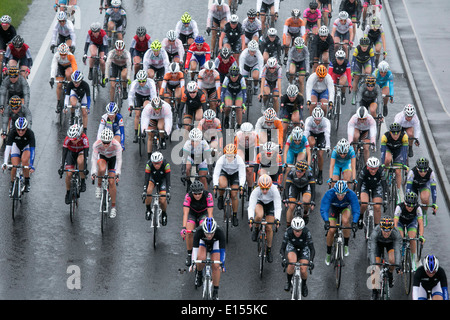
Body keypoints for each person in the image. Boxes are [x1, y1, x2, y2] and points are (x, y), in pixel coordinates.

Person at [320, 180, 360, 263]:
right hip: (333, 208)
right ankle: (328, 253)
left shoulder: (351, 194)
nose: (340, 197)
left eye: (343, 194)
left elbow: (356, 209)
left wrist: (355, 222)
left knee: (345, 221)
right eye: (338, 194)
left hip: (345, 207)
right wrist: (326, 221)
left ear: (346, 192)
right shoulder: (330, 193)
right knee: (331, 230)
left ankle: (346, 244)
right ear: (335, 192)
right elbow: (324, 208)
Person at [190, 217, 226, 300]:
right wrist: (193, 262)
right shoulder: (199, 231)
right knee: (201, 258)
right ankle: (199, 274)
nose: (209, 236)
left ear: (215, 230)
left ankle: (215, 291)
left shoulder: (219, 232)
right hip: (203, 242)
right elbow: (195, 249)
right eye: (207, 233)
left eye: (211, 233)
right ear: (203, 230)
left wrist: (222, 264)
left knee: (216, 266)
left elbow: (222, 251)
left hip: (215, 243)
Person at [248, 174, 281, 263]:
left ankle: (269, 250)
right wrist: (250, 218)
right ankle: (256, 228)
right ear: (259, 186)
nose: (265, 191)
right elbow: (251, 206)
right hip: (260, 202)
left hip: (270, 204)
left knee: (269, 227)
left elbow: (278, 206)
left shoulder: (274, 190)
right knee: (259, 215)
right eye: (263, 188)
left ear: (270, 186)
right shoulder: (256, 191)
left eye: (267, 188)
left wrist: (277, 219)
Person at [367, 216, 402, 300]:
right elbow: (372, 250)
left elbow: (397, 250)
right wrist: (372, 265)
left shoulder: (396, 233)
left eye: (388, 231)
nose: (386, 233)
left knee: (392, 260)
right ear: (381, 228)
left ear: (392, 229)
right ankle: (375, 292)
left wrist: (398, 266)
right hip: (378, 244)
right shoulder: (375, 232)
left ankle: (390, 273)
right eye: (384, 231)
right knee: (375, 268)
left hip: (390, 243)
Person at [181, 180, 214, 267]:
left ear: (202, 191)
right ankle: (189, 254)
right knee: (189, 231)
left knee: (204, 228)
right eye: (195, 194)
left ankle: (205, 247)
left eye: (199, 193)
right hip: (192, 213)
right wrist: (183, 228)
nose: (197, 195)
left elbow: (210, 214)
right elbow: (186, 213)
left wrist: (209, 228)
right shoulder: (188, 196)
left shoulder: (208, 195)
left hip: (203, 213)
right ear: (192, 193)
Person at [90, 128, 122, 218]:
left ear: (111, 140)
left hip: (113, 158)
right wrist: (93, 172)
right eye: (104, 142)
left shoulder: (116, 145)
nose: (106, 145)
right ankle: (99, 186)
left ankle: (113, 207)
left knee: (112, 182)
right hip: (103, 156)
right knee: (102, 168)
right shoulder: (97, 144)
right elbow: (94, 159)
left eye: (108, 143)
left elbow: (119, 160)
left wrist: (117, 173)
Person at [280, 216, 315, 297]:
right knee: (291, 263)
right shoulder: (288, 232)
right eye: (295, 231)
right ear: (292, 229)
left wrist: (311, 261)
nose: (297, 233)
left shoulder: (307, 232)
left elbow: (312, 249)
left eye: (299, 231)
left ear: (303, 229)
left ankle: (304, 285)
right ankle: (288, 282)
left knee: (303, 270)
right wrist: (283, 259)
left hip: (303, 248)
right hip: (292, 247)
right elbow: (282, 248)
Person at [213, 143, 246, 226]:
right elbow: (216, 174)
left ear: (235, 155)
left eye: (231, 156)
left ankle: (234, 215)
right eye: (228, 156)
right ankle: (221, 197)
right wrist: (215, 185)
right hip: (224, 172)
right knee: (222, 185)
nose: (229, 158)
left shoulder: (239, 160)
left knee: (234, 194)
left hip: (235, 174)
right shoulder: (221, 159)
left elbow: (242, 175)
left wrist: (241, 186)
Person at [2, 117, 35, 194]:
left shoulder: (30, 133)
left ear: (26, 128)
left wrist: (31, 164)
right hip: (16, 146)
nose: (20, 132)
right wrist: (5, 162)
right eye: (18, 130)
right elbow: (7, 148)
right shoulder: (12, 133)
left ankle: (27, 181)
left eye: (23, 130)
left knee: (24, 161)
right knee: (14, 166)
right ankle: (12, 183)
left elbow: (32, 150)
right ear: (15, 128)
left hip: (26, 147)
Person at [394, 191, 425, 271]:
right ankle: (400, 255)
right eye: (408, 206)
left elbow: (421, 223)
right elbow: (395, 223)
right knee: (400, 237)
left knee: (412, 238)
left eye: (412, 206)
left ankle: (413, 259)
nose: (410, 208)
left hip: (411, 223)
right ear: (405, 203)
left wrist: (421, 236)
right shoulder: (399, 207)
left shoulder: (418, 208)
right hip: (400, 223)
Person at [59, 124, 89, 204]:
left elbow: (86, 156)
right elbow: (64, 154)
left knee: (80, 162)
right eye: (71, 139)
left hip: (80, 152)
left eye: (74, 139)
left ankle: (82, 181)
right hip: (71, 153)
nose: (72, 141)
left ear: (79, 136)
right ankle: (68, 192)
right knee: (69, 174)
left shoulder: (84, 139)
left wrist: (85, 168)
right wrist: (62, 166)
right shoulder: (67, 139)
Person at [405, 157, 438, 227]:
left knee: (425, 198)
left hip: (424, 186)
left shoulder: (431, 173)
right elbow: (408, 189)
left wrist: (434, 203)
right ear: (417, 169)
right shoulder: (412, 172)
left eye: (425, 171)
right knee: (411, 202)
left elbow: (433, 189)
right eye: (420, 171)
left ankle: (424, 213)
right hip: (413, 187)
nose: (423, 173)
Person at [128, 69, 158, 144]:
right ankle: (136, 133)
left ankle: (146, 125)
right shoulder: (134, 83)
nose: (141, 83)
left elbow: (153, 95)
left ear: (146, 79)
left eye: (143, 81)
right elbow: (131, 95)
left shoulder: (151, 82)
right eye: (140, 81)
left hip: (148, 97)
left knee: (146, 108)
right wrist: (130, 105)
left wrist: (153, 105)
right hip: (138, 96)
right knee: (137, 114)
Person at [380, 122, 408, 199]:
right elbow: (382, 152)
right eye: (393, 133)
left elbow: (405, 152)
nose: (395, 135)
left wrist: (404, 164)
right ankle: (385, 175)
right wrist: (383, 164)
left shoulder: (404, 137)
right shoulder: (385, 137)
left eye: (397, 133)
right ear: (390, 132)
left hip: (399, 151)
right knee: (387, 159)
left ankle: (398, 192)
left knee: (398, 171)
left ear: (400, 132)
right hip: (388, 149)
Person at [356, 156, 387, 228]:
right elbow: (359, 185)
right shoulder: (364, 171)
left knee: (377, 207)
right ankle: (360, 216)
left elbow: (384, 185)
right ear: (368, 168)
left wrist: (385, 199)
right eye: (371, 169)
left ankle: (377, 228)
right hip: (365, 185)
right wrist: (357, 197)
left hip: (376, 186)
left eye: (375, 169)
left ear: (378, 168)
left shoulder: (381, 171)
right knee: (364, 204)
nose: (373, 171)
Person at [303, 106, 331, 185]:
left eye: (319, 120)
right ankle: (308, 158)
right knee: (311, 144)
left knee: (320, 155)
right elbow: (306, 133)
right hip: (311, 134)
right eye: (316, 120)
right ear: (313, 117)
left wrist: (328, 146)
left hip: (321, 135)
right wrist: (304, 144)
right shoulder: (308, 120)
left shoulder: (326, 122)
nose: (317, 122)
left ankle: (320, 174)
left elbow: (327, 135)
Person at [284, 160, 316, 226]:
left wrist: (312, 201)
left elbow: (313, 189)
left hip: (305, 187)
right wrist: (286, 198)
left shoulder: (309, 174)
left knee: (306, 201)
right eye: (297, 171)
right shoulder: (291, 172)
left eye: (301, 171)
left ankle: (305, 213)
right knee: (291, 206)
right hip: (294, 187)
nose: (298, 173)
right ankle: (288, 225)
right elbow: (287, 187)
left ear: (305, 171)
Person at [143, 151, 171, 225]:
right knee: (148, 191)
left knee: (162, 199)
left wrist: (168, 192)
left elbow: (168, 180)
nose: (156, 165)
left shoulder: (166, 164)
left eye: (158, 163)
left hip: (163, 179)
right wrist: (144, 191)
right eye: (154, 163)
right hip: (153, 178)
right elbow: (146, 179)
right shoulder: (148, 164)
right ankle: (148, 209)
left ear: (161, 161)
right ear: (152, 162)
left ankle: (164, 214)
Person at [49, 43, 78, 113]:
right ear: (59, 53)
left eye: (64, 54)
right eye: (61, 54)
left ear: (67, 52)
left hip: (69, 67)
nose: (63, 56)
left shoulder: (71, 55)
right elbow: (54, 66)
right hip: (60, 68)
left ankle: (69, 86)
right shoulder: (56, 55)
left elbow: (74, 66)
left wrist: (75, 77)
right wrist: (52, 77)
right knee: (59, 85)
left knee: (68, 74)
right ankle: (58, 102)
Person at [234, 122, 260, 195]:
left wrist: (256, 162)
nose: (246, 135)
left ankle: (249, 187)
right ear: (242, 132)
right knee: (239, 158)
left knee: (250, 170)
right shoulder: (238, 135)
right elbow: (235, 149)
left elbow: (257, 149)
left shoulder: (255, 135)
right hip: (241, 148)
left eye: (248, 133)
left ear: (251, 132)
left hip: (251, 149)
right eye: (244, 133)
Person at [220, 64, 246, 129]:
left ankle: (239, 125)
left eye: (235, 76)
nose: (233, 78)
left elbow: (244, 93)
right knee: (228, 106)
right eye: (232, 76)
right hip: (229, 92)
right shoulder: (227, 78)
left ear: (238, 75)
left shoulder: (241, 78)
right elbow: (223, 92)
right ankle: (226, 117)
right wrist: (222, 103)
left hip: (239, 93)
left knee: (239, 108)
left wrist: (244, 104)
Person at [350, 36, 375, 105]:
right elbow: (353, 61)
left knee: (368, 72)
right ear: (360, 45)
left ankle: (366, 86)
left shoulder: (370, 50)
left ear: (368, 45)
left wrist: (372, 72)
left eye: (366, 46)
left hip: (366, 61)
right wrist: (352, 72)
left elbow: (373, 62)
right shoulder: (357, 49)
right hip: (358, 62)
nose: (364, 47)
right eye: (363, 46)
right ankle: (354, 95)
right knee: (356, 78)